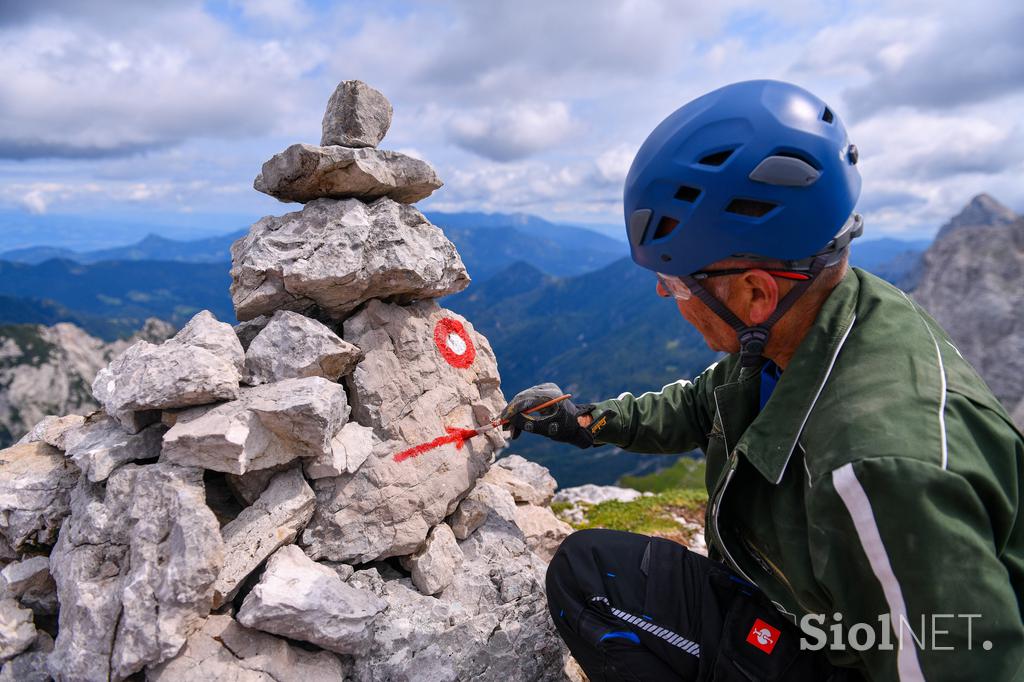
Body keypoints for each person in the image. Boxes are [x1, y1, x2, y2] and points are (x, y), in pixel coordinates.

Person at [500, 80, 1024, 681]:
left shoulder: (878, 470)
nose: (666, 295)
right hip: (804, 614)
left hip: (838, 657)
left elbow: (960, 661)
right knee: (587, 572)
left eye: (675, 283)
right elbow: (706, 404)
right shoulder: (819, 322)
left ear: (755, 292)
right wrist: (585, 422)